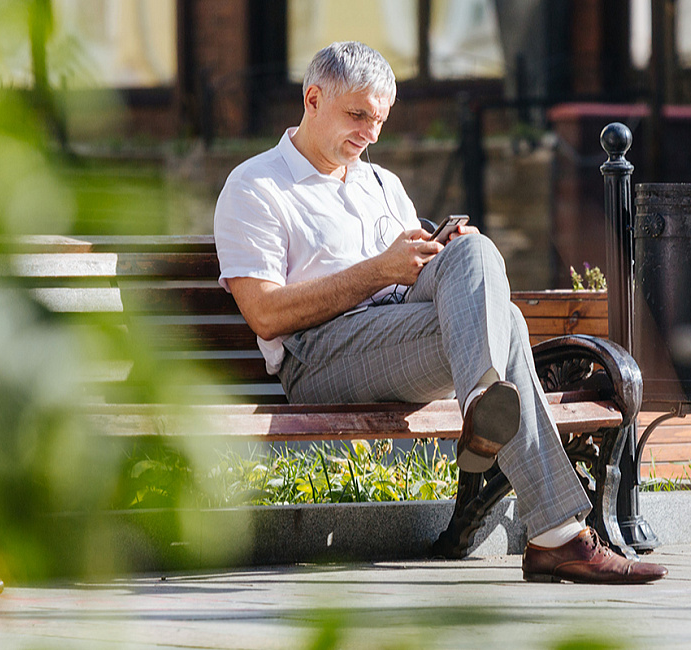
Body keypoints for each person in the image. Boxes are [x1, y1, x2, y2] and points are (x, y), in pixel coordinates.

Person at [214, 41, 666, 584]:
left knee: (474, 253)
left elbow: (426, 275)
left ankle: (491, 419)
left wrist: (450, 255)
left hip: (402, 338)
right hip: (321, 357)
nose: (371, 134)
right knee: (510, 323)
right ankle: (552, 530)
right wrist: (380, 270)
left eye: (380, 120)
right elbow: (264, 314)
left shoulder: (381, 184)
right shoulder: (256, 186)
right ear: (312, 98)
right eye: (358, 115)